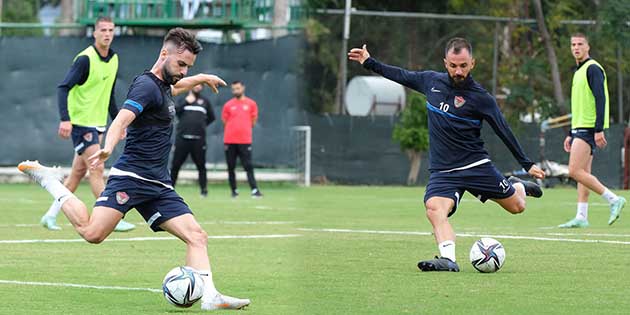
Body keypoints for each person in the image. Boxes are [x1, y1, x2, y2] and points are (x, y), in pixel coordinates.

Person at [18, 28, 250, 310]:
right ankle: (50, 180)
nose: (183, 70)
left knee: (197, 236)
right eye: (181, 64)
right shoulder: (146, 86)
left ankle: (210, 296)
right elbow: (120, 121)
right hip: (131, 178)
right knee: (93, 233)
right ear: (164, 54)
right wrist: (107, 147)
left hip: (159, 184)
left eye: (188, 66)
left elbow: (175, 87)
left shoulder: (165, 84)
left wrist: (200, 78)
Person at [348, 38, 546, 272]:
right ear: (445, 62)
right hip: (443, 172)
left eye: (463, 65)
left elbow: (504, 130)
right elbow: (401, 74)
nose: (458, 70)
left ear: (472, 63)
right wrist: (370, 62)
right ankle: (448, 259)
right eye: (453, 65)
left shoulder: (482, 98)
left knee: (517, 206)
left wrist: (527, 163)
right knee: (434, 209)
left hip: (476, 166)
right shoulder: (431, 82)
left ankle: (518, 186)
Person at [40, 16, 135, 232]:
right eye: (103, 30)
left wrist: (118, 123)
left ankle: (50, 216)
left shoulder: (114, 59)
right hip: (82, 123)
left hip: (99, 124)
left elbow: (109, 94)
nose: (107, 34)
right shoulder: (85, 59)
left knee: (76, 174)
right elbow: (63, 87)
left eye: (111, 30)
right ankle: (111, 218)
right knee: (97, 167)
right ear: (95, 33)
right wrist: (65, 119)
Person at [558, 33, 626, 228]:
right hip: (579, 128)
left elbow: (600, 99)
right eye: (573, 44)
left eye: (580, 44)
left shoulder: (593, 68)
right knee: (584, 173)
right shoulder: (578, 71)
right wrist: (571, 133)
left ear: (588, 47)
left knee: (574, 171)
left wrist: (598, 129)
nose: (576, 47)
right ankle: (581, 216)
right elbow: (580, 105)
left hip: (588, 128)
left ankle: (613, 199)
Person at [170, 84, 215, 197]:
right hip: (182, 139)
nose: (198, 87)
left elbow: (212, 117)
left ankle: (203, 191)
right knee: (175, 165)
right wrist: (186, 102)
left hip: (198, 140)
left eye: (200, 85)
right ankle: (170, 189)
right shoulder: (183, 99)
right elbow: (175, 112)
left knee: (201, 166)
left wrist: (201, 126)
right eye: (196, 85)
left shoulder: (205, 101)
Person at [222, 81, 262, 198]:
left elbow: (253, 121)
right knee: (231, 167)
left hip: (245, 141)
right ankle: (234, 191)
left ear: (243, 88)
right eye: (234, 89)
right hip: (229, 141)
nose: (236, 91)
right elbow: (225, 122)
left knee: (248, 166)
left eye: (238, 88)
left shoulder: (251, 104)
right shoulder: (228, 105)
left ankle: (254, 190)